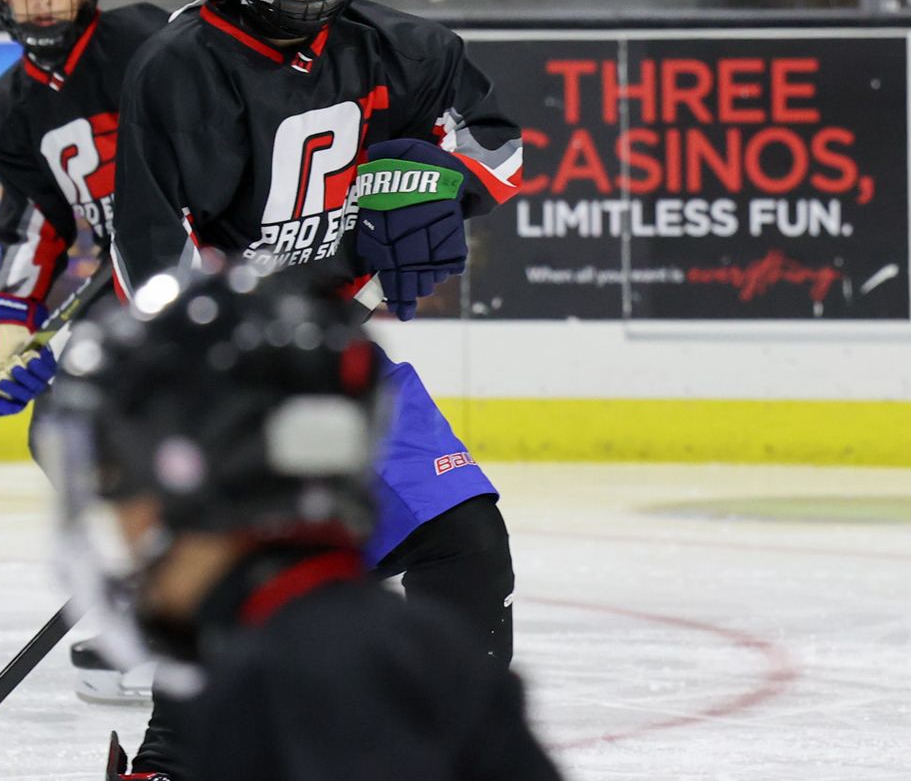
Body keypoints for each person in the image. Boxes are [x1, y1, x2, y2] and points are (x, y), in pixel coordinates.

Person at [108, 0, 525, 777]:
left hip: (336, 355)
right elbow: (148, 258)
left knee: (468, 547)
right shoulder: (180, 67)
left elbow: (497, 148)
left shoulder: (396, 49)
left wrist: (429, 187)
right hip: (214, 370)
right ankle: (168, 762)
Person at [40, 262, 562, 781]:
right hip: (260, 354)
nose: (119, 524)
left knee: (463, 536)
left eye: (122, 485)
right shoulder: (373, 660)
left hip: (259, 362)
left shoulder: (299, 679)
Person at [0, 0, 169, 702]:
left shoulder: (146, 42)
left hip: (215, 271)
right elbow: (42, 223)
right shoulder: (12, 108)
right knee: (64, 426)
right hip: (127, 288)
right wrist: (6, 318)